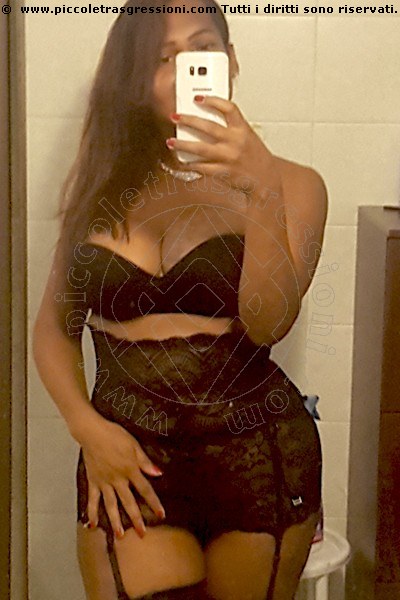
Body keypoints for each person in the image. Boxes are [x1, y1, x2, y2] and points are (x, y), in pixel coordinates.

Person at [32, 0, 328, 598]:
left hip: (258, 460)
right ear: (135, 78)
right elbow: (53, 329)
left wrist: (261, 189)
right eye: (161, 57)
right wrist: (86, 428)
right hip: (128, 464)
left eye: (203, 49)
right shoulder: (100, 186)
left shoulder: (295, 184)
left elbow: (268, 323)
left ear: (231, 61)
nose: (183, 68)